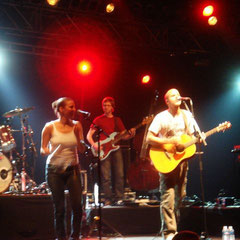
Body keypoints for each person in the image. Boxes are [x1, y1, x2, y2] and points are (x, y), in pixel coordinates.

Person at [146, 89, 200, 240]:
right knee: (168, 196)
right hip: (166, 160)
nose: (178, 96)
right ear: (167, 101)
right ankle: (169, 233)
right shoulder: (161, 117)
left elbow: (193, 135)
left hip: (181, 161)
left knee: (180, 195)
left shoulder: (187, 115)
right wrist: (170, 141)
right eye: (173, 95)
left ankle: (174, 226)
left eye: (178, 94)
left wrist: (198, 138)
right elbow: (149, 138)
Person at [40, 97, 86, 240]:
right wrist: (46, 151)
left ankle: (75, 236)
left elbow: (82, 149)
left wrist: (78, 137)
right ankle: (61, 237)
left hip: (72, 169)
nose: (74, 110)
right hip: (54, 170)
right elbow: (43, 147)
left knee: (78, 206)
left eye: (74, 107)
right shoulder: (49, 126)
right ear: (61, 109)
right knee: (60, 208)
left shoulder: (77, 125)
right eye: (70, 107)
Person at [86, 96, 135, 205]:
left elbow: (124, 136)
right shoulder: (98, 120)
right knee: (106, 176)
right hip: (103, 149)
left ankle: (119, 198)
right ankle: (108, 199)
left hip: (116, 148)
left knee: (119, 174)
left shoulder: (117, 120)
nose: (106, 107)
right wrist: (94, 145)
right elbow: (89, 135)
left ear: (113, 107)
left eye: (108, 105)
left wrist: (131, 135)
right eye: (104, 105)